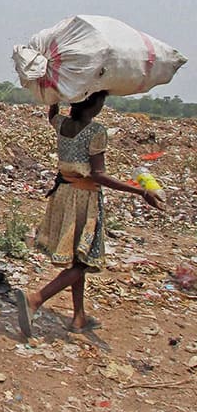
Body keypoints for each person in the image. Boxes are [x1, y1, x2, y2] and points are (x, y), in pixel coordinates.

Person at [15, 90, 164, 337]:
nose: (102, 107)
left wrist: (56, 92)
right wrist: (140, 191)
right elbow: (98, 175)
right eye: (101, 101)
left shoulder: (63, 124)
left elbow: (52, 113)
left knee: (77, 258)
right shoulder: (96, 132)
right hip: (83, 199)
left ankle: (79, 317)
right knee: (83, 261)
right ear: (91, 104)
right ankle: (35, 300)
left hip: (63, 194)